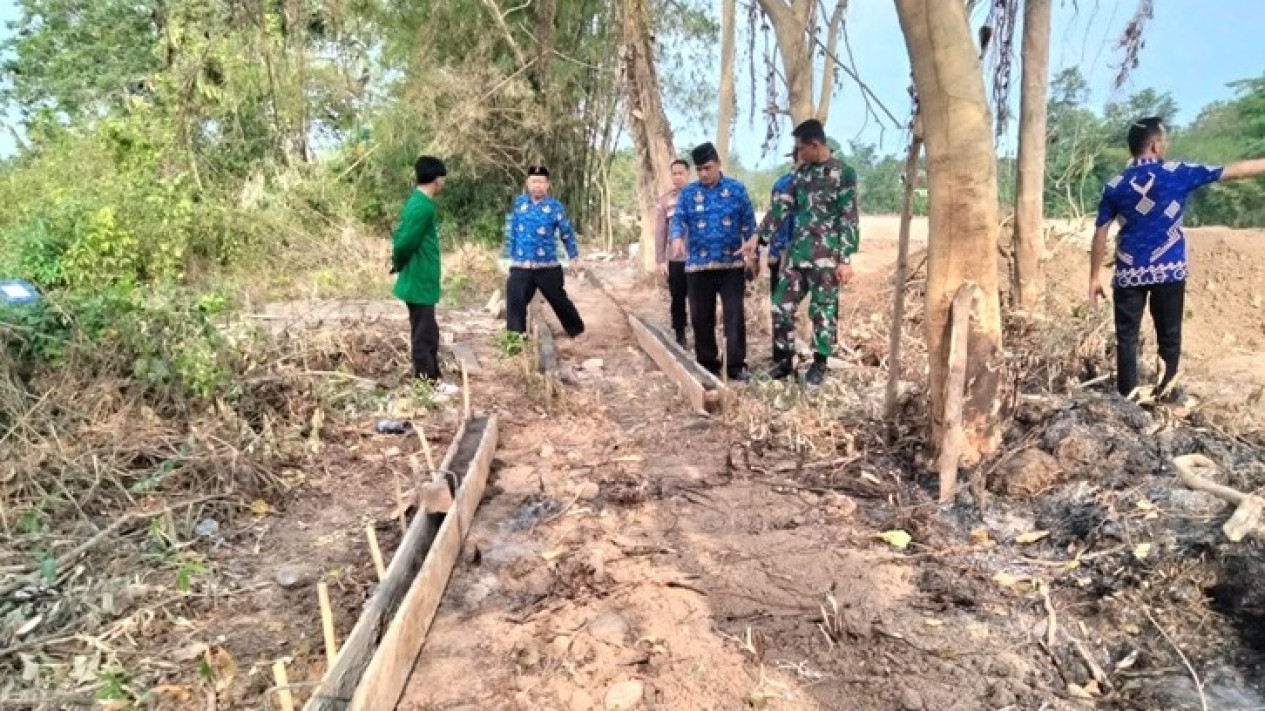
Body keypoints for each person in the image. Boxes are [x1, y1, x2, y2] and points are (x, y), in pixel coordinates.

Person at [1089, 116, 1265, 400]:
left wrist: (1094, 277)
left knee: (1127, 338)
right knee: (1169, 336)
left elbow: (1099, 234)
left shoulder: (1115, 185)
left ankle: (1127, 399)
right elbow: (1234, 171)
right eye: (1165, 140)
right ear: (1156, 146)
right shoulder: (1178, 172)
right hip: (1169, 270)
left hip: (1128, 271)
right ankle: (1165, 393)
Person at [744, 120, 858, 386]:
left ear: (815, 145)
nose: (798, 153)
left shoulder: (844, 174)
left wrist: (846, 259)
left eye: (801, 148)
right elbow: (781, 208)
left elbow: (849, 217)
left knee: (823, 311)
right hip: (798, 255)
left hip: (827, 258)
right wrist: (758, 238)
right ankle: (785, 361)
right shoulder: (801, 175)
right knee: (780, 305)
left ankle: (819, 365)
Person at [670, 142, 757, 381]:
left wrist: (753, 249)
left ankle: (736, 365)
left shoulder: (736, 189)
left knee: (734, 316)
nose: (703, 174)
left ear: (718, 163)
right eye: (699, 169)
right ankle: (708, 363)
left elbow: (750, 224)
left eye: (707, 168)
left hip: (731, 265)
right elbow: (678, 220)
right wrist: (676, 237)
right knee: (700, 317)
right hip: (698, 266)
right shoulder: (689, 193)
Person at [503, 165, 585, 339]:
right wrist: (509, 257)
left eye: (541, 182)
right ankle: (515, 337)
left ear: (548, 185)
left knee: (559, 300)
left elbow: (566, 233)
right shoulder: (520, 203)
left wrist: (574, 256)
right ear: (527, 183)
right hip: (521, 264)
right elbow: (513, 231)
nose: (537, 186)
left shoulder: (555, 207)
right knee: (514, 299)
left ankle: (576, 330)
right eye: (533, 181)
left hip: (547, 264)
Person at [391, 155, 451, 386]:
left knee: (429, 332)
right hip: (419, 280)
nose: (442, 184)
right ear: (436, 180)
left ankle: (433, 380)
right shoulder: (422, 207)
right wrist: (398, 261)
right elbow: (404, 242)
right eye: (442, 179)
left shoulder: (419, 202)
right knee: (423, 336)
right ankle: (425, 385)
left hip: (423, 279)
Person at [655, 159, 691, 347]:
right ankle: (680, 333)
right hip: (675, 259)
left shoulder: (697, 195)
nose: (677, 177)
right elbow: (660, 231)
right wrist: (661, 259)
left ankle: (701, 333)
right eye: (674, 173)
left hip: (697, 258)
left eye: (680, 173)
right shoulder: (666, 201)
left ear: (688, 174)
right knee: (677, 297)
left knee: (698, 299)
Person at [762, 146, 801, 294]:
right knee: (782, 310)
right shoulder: (785, 184)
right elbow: (778, 222)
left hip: (811, 258)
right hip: (785, 256)